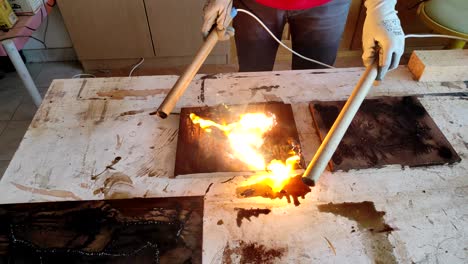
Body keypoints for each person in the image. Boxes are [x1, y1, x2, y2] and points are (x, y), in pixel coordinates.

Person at [201, 0, 404, 78]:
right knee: (252, 77)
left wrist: (382, 7)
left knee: (314, 80)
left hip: (328, 4)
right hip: (256, 3)